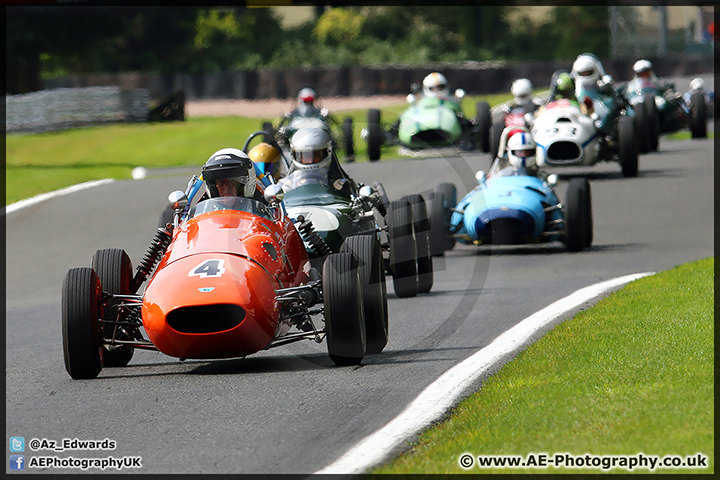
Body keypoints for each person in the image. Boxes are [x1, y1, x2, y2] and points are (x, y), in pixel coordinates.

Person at [279, 127, 357, 197]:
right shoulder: (286, 186)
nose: (310, 161)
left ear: (327, 152)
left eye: (316, 156)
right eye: (305, 157)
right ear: (294, 155)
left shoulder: (340, 184)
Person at [202, 148, 271, 204]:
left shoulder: (260, 210)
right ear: (213, 187)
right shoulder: (204, 215)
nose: (226, 186)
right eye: (221, 182)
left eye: (232, 181)